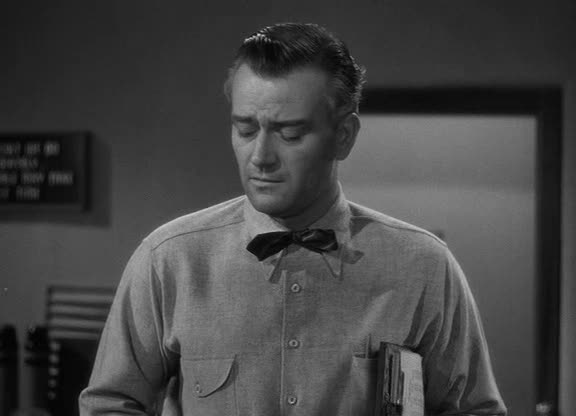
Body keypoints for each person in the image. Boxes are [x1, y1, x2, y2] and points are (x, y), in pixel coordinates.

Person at [79, 23, 507, 416]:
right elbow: (109, 405)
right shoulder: (169, 260)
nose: (261, 157)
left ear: (343, 136)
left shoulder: (423, 266)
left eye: (290, 133)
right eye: (246, 130)